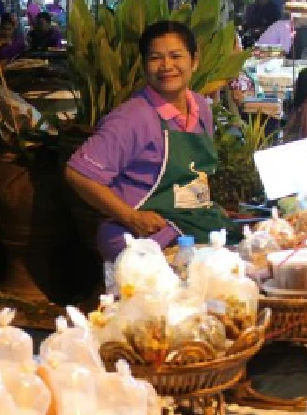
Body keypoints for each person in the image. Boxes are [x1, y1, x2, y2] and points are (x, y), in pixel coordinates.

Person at [65, 20, 239, 260]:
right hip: (142, 235)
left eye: (176, 56)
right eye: (156, 58)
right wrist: (131, 217)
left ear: (194, 60)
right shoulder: (133, 117)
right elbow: (78, 173)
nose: (167, 66)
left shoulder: (201, 107)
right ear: (145, 66)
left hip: (189, 222)